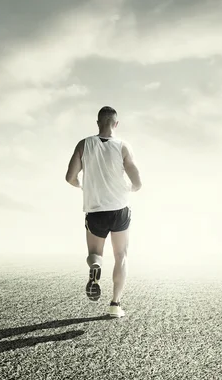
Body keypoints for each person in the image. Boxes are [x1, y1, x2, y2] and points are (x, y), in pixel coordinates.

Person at [65, 106, 142, 318]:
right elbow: (137, 182)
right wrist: (130, 189)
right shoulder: (123, 146)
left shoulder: (84, 144)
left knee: (94, 254)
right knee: (121, 256)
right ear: (115, 124)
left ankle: (96, 266)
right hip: (119, 209)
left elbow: (70, 177)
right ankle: (115, 305)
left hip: (95, 211)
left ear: (98, 122)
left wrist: (82, 185)